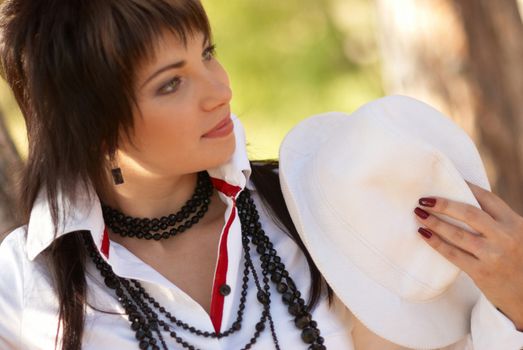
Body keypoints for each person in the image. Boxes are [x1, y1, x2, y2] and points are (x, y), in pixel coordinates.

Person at [0, 1, 520, 349]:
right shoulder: (25, 288)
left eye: (206, 53)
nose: (219, 90)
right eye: (171, 84)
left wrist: (514, 296)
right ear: (92, 125)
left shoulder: (312, 206)